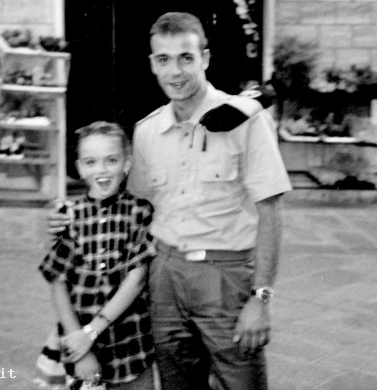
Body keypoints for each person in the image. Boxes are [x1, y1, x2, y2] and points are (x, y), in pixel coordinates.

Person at [49, 12, 292, 390]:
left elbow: (271, 212)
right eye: (164, 59)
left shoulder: (246, 121)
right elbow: (132, 212)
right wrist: (69, 220)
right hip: (163, 279)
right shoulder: (147, 133)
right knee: (178, 384)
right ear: (152, 64)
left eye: (186, 58)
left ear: (205, 59)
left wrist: (261, 298)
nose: (175, 72)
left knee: (242, 383)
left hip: (225, 277)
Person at [39, 121, 156, 390]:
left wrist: (91, 332)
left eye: (111, 160)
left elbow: (136, 279)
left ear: (127, 164)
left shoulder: (140, 212)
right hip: (81, 345)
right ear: (79, 167)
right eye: (91, 162)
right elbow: (58, 284)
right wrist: (78, 342)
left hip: (131, 345)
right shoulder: (68, 216)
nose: (101, 171)